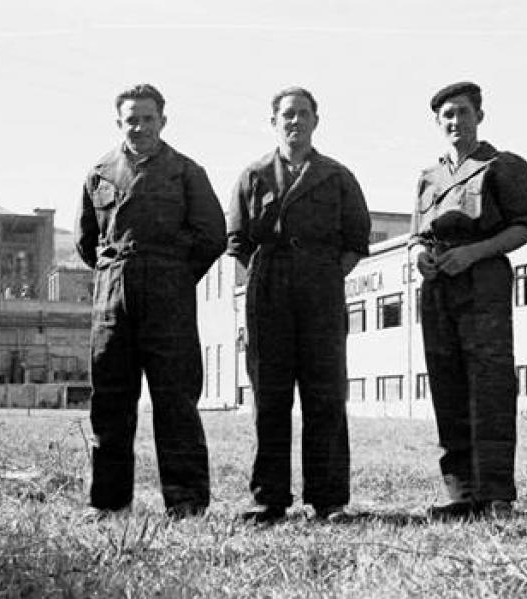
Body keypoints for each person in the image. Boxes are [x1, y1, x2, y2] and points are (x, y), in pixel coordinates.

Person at [75, 84, 226, 519]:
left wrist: (173, 274)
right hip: (112, 300)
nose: (139, 126)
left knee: (176, 400)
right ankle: (108, 502)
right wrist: (117, 273)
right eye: (130, 119)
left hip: (168, 299)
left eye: (147, 118)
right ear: (118, 122)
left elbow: (211, 234)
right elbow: (88, 242)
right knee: (110, 400)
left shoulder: (186, 172)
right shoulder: (99, 172)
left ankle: (186, 503)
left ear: (163, 120)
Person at [227, 87, 371, 523]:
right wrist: (271, 274)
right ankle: (268, 499)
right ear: (274, 122)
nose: (295, 121)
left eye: (303, 114)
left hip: (321, 291)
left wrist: (322, 275)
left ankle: (328, 500)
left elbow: (355, 240)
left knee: (325, 395)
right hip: (268, 291)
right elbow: (237, 241)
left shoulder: (337, 176)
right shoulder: (253, 175)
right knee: (269, 396)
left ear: (316, 120)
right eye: (287, 115)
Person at [412, 82, 527, 519]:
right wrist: (419, 257)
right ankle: (461, 494)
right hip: (437, 290)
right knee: (446, 386)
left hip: (482, 282)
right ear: (437, 122)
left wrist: (473, 252)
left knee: (489, 385)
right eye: (447, 115)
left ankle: (496, 494)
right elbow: (417, 236)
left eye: (463, 112)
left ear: (479, 116)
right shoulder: (428, 177)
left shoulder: (503, 166)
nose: (455, 121)